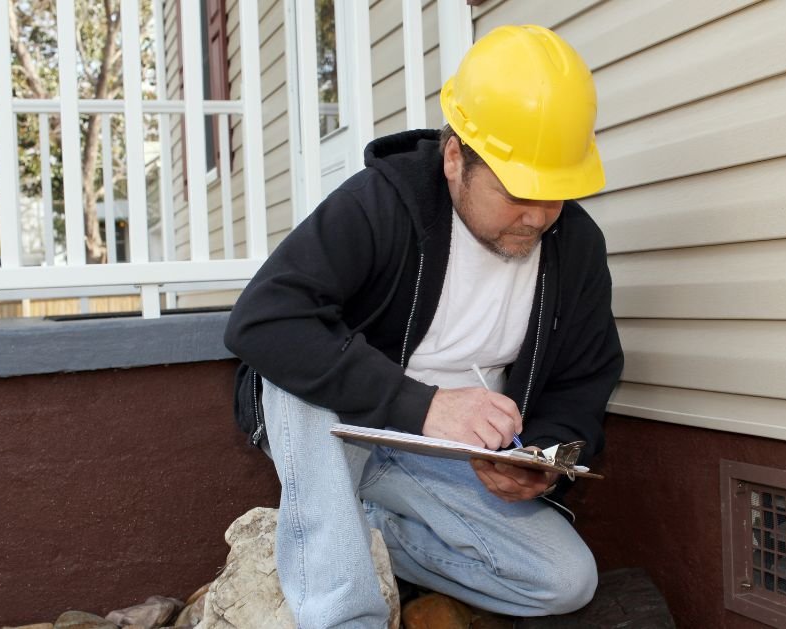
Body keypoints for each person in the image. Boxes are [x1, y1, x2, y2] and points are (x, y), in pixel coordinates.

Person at [224, 24, 623, 628]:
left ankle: (363, 535)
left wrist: (543, 455)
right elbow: (265, 319)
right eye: (519, 190)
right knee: (295, 376)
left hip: (445, 459)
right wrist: (421, 405)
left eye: (557, 192)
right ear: (455, 156)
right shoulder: (381, 203)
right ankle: (343, 615)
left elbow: (584, 378)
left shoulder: (577, 246)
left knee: (565, 581)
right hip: (340, 428)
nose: (539, 215)